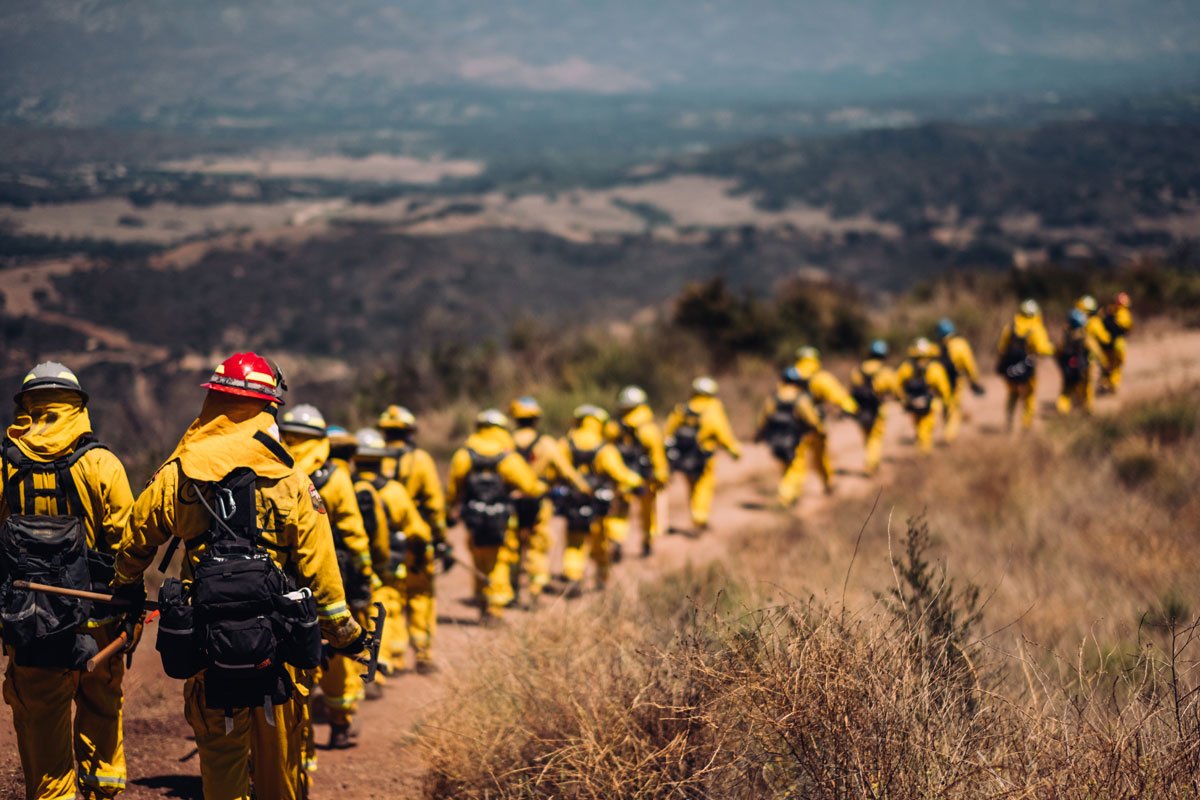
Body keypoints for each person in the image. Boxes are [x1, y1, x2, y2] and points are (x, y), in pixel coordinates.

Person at [111, 352, 366, 800]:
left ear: (212, 402)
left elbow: (134, 541)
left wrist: (125, 590)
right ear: (266, 407)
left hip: (210, 647)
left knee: (222, 763)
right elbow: (323, 576)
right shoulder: (291, 481)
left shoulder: (180, 474)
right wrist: (346, 636)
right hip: (279, 654)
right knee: (279, 768)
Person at [1, 362, 136, 800]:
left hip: (32, 628)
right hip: (99, 627)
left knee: (43, 735)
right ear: (78, 405)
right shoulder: (103, 464)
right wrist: (127, 601)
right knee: (101, 713)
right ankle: (102, 791)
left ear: (27, 406)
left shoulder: (4, 467)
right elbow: (128, 544)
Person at [279, 405, 376, 752]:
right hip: (329, 583)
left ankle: (298, 751)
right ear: (322, 439)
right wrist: (364, 576)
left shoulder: (275, 469)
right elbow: (353, 532)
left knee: (292, 667)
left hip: (282, 587)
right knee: (335, 656)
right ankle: (339, 724)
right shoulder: (333, 477)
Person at [446, 410, 545, 621]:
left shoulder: (464, 455)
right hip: (501, 519)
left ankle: (482, 599)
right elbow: (529, 485)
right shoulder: (508, 457)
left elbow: (453, 489)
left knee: (479, 556)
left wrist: (449, 509)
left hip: (473, 519)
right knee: (499, 560)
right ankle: (494, 608)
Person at [353, 428, 431, 675]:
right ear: (381, 458)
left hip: (352, 567)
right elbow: (418, 532)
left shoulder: (345, 487)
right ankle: (388, 661)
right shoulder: (394, 491)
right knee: (388, 608)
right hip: (387, 566)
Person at [377, 405, 447, 672]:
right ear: (409, 432)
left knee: (392, 596)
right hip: (417, 541)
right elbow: (434, 504)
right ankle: (423, 653)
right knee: (421, 594)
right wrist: (440, 538)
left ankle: (393, 657)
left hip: (384, 543)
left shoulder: (370, 459)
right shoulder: (420, 460)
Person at [508, 397, 590, 601]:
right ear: (536, 419)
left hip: (511, 502)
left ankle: (512, 589)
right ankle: (535, 590)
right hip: (539, 501)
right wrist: (584, 488)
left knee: (512, 546)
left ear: (515, 419)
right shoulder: (546, 444)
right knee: (538, 545)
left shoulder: (506, 442)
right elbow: (566, 470)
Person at [559, 406, 643, 594]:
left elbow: (555, 468)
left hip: (573, 502)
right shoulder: (604, 448)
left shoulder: (565, 443)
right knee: (599, 541)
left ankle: (573, 577)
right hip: (597, 503)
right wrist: (638, 482)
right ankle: (601, 580)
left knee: (574, 541)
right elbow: (619, 473)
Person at [664, 377, 742, 533]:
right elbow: (722, 431)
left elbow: (669, 430)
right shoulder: (713, 408)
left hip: (684, 455)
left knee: (691, 485)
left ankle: (695, 513)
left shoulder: (683, 408)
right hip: (704, 455)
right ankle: (699, 516)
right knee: (705, 485)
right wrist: (733, 449)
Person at [606, 386, 670, 557]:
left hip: (623, 476)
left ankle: (617, 539)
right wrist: (661, 477)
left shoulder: (614, 427)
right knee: (647, 512)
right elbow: (658, 456)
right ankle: (647, 542)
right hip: (645, 478)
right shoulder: (649, 429)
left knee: (620, 510)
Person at [756, 367, 824, 505]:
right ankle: (785, 496)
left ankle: (793, 495)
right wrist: (819, 429)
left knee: (786, 467)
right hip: (795, 439)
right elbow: (811, 418)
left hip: (775, 439)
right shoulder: (800, 398)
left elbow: (764, 418)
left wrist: (759, 434)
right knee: (797, 468)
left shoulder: (773, 398)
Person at [792, 347, 858, 487]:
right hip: (816, 427)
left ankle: (788, 494)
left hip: (794, 427)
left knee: (797, 461)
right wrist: (852, 408)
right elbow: (838, 395)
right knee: (820, 458)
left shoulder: (791, 376)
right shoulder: (820, 377)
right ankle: (828, 483)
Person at [995, 299, 1055, 430]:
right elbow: (1042, 349)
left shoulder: (1010, 327)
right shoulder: (1036, 328)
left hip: (1010, 368)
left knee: (1012, 394)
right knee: (1029, 397)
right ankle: (1026, 426)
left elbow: (1001, 348)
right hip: (1028, 370)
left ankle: (1009, 422)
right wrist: (1052, 348)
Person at [848, 341, 901, 476]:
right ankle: (871, 465)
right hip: (878, 410)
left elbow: (852, 388)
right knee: (876, 438)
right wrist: (901, 399)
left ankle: (870, 460)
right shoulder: (886, 371)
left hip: (861, 410)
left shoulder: (858, 370)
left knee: (867, 436)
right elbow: (896, 389)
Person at [895, 338, 952, 454]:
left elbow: (897, 384)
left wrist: (903, 399)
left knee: (918, 427)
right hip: (930, 403)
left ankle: (920, 449)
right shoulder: (935, 368)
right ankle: (924, 453)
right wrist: (946, 402)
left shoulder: (906, 367)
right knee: (927, 428)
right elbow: (944, 388)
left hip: (912, 403)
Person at [933, 319, 985, 443]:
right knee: (955, 410)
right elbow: (969, 365)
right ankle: (949, 437)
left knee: (946, 408)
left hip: (939, 384)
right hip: (956, 381)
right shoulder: (960, 344)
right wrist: (974, 380)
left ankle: (946, 430)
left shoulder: (937, 347)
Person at [1056, 309, 1108, 415]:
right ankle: (1088, 411)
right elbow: (1096, 351)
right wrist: (1105, 363)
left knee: (1066, 391)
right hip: (1084, 368)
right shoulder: (1085, 336)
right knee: (1087, 390)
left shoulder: (1066, 337)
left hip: (1069, 370)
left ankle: (1062, 411)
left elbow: (1058, 351)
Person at [1098, 292, 1134, 394]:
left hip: (1105, 344)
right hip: (1118, 343)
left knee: (1106, 365)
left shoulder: (1108, 310)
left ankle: (1104, 384)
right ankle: (1113, 385)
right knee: (1117, 366)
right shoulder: (1124, 313)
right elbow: (1127, 327)